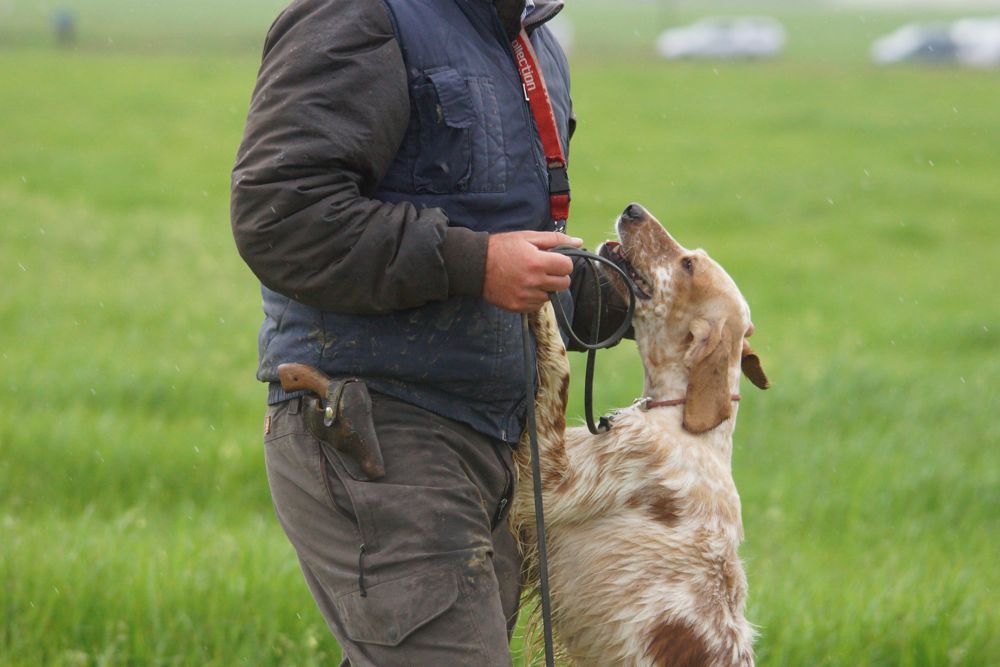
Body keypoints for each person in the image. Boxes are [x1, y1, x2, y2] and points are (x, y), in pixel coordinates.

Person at [231, 0, 626, 664]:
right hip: (377, 429)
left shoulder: (530, 39)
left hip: (492, 442)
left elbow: (510, 244)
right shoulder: (362, 15)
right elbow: (281, 215)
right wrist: (475, 264)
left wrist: (651, 302)